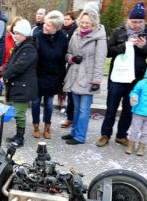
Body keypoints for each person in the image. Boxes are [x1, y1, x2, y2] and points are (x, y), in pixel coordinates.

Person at [96, 2, 147, 148]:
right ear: (129, 20)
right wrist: (124, 46)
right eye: (134, 21)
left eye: (140, 22)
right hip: (117, 78)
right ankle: (105, 135)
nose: (137, 25)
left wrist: (143, 47)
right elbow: (108, 52)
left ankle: (121, 135)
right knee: (111, 108)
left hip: (136, 79)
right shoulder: (119, 32)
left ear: (144, 21)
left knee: (129, 109)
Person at [62, 9, 107, 145]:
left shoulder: (99, 37)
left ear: (93, 23)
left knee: (84, 109)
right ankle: (74, 132)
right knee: (76, 108)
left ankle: (80, 136)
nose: (84, 25)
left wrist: (97, 81)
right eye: (82, 22)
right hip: (75, 76)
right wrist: (71, 58)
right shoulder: (75, 33)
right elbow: (68, 53)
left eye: (87, 23)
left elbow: (100, 61)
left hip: (88, 78)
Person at [31, 10, 68, 139]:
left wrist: (61, 78)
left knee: (49, 102)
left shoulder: (62, 38)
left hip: (53, 76)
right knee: (35, 102)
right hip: (38, 74)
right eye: (45, 24)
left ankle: (47, 126)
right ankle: (36, 125)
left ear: (57, 28)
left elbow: (63, 58)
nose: (45, 27)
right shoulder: (37, 36)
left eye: (49, 25)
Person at [2, 19, 38, 147]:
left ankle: (20, 137)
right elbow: (11, 62)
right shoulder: (21, 45)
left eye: (17, 33)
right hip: (19, 85)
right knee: (18, 112)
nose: (15, 35)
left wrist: (6, 74)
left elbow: (19, 66)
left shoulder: (29, 48)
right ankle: (17, 135)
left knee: (19, 114)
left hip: (24, 86)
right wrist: (5, 72)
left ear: (24, 33)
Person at [59, 11, 78, 127]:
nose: (65, 21)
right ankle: (69, 116)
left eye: (68, 19)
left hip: (73, 64)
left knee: (72, 94)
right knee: (66, 90)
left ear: (73, 20)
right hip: (64, 61)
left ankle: (71, 118)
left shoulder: (75, 31)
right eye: (64, 19)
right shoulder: (61, 30)